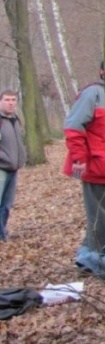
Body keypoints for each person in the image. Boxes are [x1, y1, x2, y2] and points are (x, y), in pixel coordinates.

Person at [63, 62, 105, 252]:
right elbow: (73, 127)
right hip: (96, 165)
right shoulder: (93, 94)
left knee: (103, 214)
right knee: (99, 216)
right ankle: (98, 260)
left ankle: (87, 258)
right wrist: (79, 159)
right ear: (102, 71)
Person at [0, 90, 26, 242]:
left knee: (7, 205)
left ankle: (2, 232)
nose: (10, 103)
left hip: (14, 168)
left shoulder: (16, 119)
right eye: (7, 99)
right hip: (1, 167)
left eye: (13, 100)